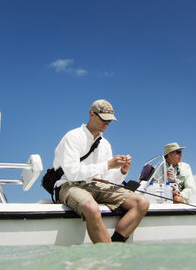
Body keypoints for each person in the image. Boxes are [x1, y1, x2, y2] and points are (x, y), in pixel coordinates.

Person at [53, 99, 149, 244]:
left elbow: (110, 179)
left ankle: (116, 243)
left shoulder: (105, 144)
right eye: (104, 119)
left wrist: (123, 171)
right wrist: (107, 165)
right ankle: (109, 256)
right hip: (69, 185)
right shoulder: (72, 137)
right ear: (92, 114)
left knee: (141, 202)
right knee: (91, 208)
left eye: (110, 121)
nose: (106, 124)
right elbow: (72, 173)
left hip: (96, 186)